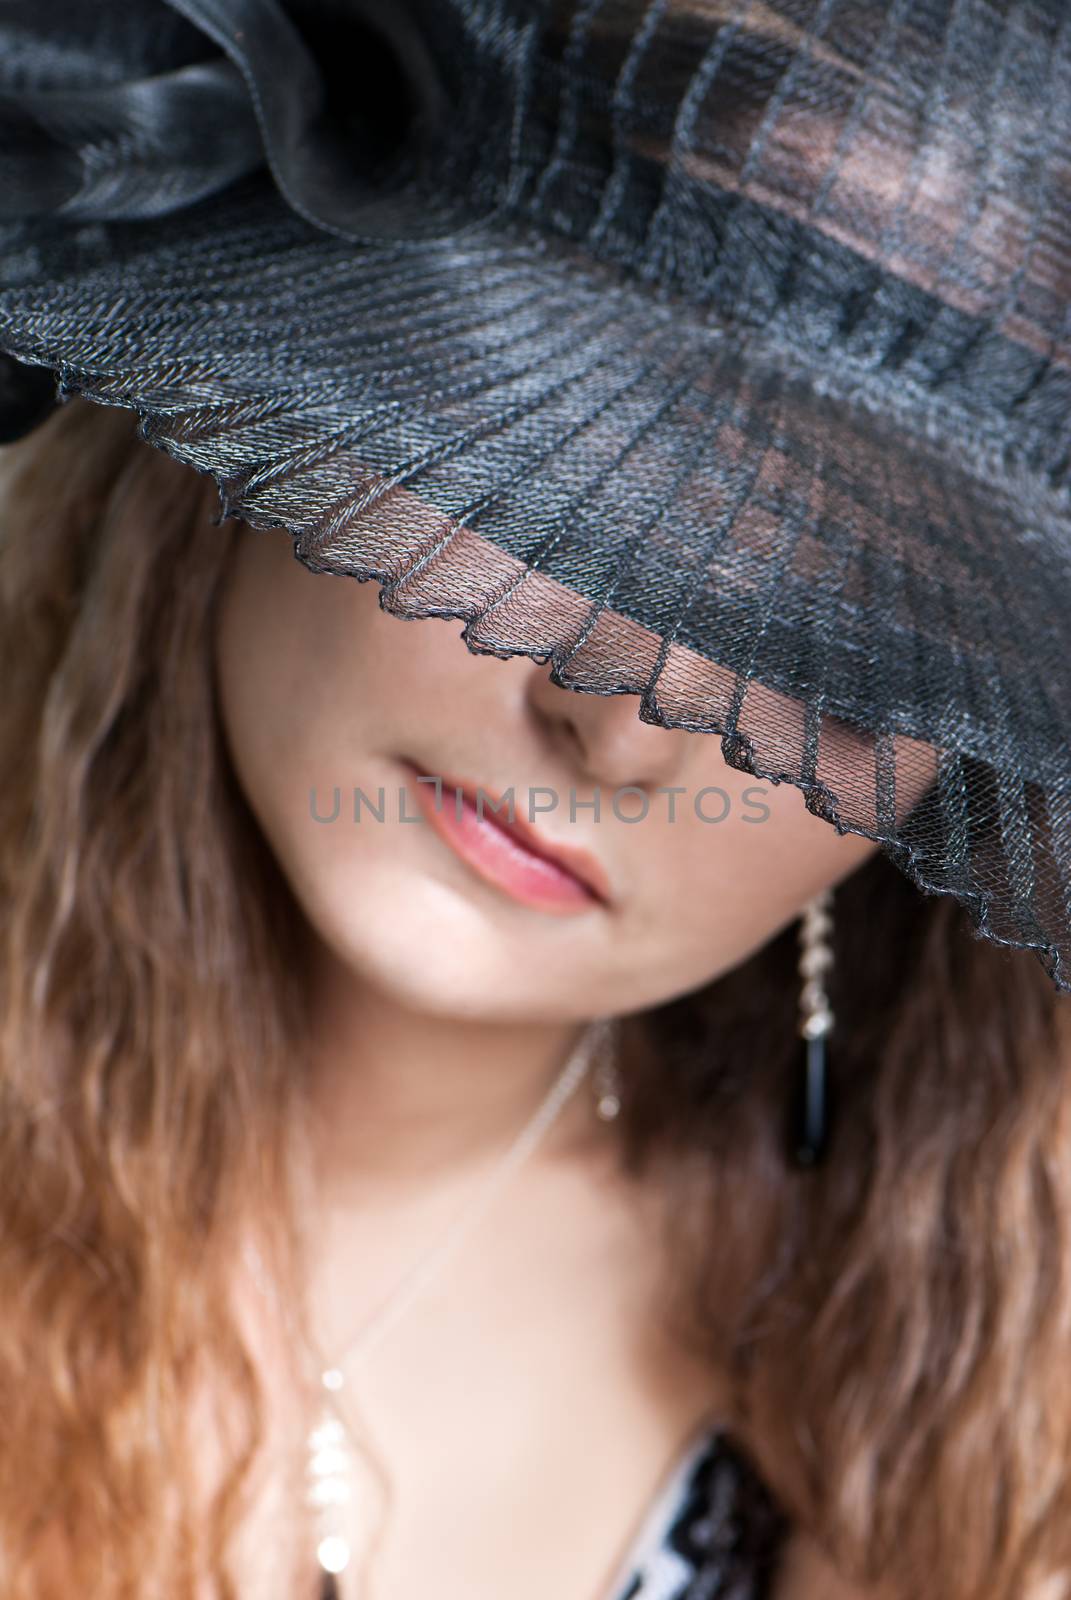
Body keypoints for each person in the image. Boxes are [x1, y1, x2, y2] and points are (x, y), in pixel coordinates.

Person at [1, 393, 1068, 1600]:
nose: (616, 729)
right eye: (588, 477)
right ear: (273, 362)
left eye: (839, 651)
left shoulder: (945, 1383)